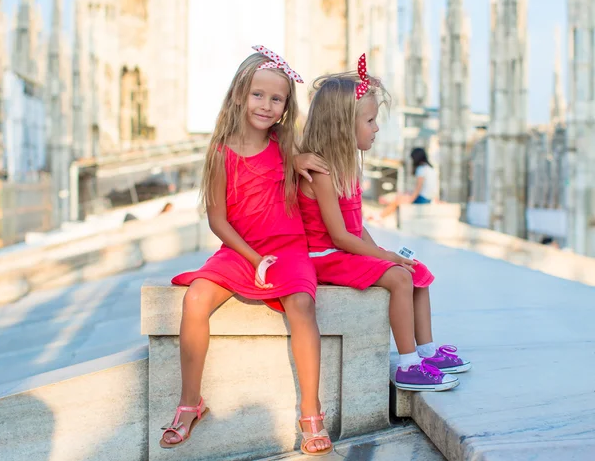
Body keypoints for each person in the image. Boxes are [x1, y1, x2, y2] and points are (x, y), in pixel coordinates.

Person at [160, 46, 332, 456]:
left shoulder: (286, 146)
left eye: (277, 99)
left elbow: (324, 169)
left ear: (286, 107)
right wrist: (254, 259)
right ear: (239, 94)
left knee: (302, 305)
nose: (267, 105)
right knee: (196, 298)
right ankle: (190, 403)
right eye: (258, 95)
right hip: (241, 251)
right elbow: (218, 220)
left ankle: (311, 409)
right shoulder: (221, 152)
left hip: (288, 250)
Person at [297, 54, 471, 392]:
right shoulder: (321, 171)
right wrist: (386, 259)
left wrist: (380, 250)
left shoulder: (347, 165)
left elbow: (355, 225)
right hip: (324, 257)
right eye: (371, 120)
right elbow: (339, 235)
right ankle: (407, 364)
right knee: (399, 278)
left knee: (417, 271)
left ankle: (427, 350)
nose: (376, 128)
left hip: (342, 250)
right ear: (342, 125)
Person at [379, 147, 438, 219]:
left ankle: (380, 217)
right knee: (401, 197)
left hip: (422, 199)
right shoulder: (431, 169)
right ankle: (381, 216)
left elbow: (419, 187)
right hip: (428, 199)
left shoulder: (421, 169)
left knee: (396, 201)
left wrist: (411, 199)